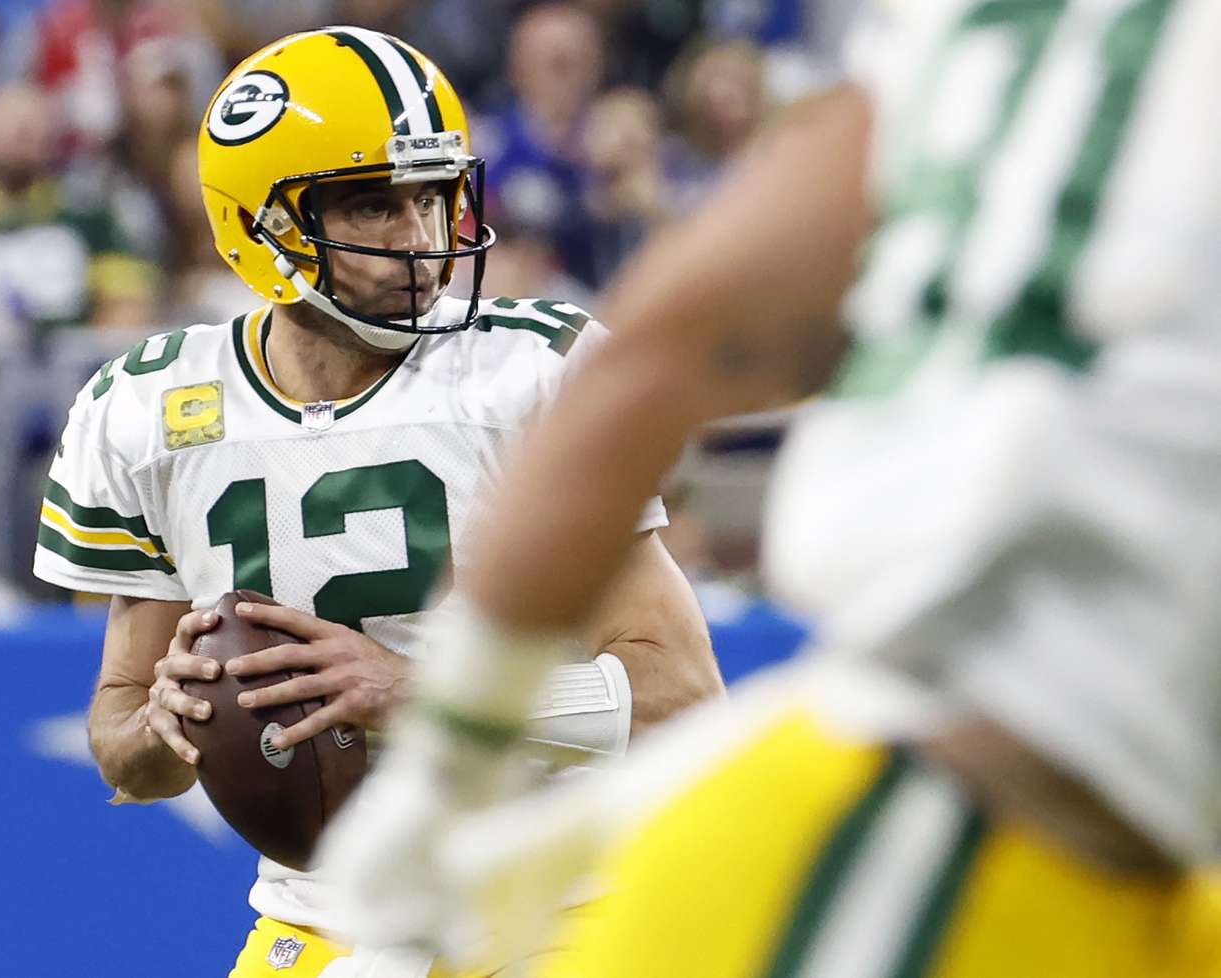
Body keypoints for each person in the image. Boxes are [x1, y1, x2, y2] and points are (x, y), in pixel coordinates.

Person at [319, 1, 1221, 976]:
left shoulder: (1014, 47)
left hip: (1037, 812)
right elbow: (665, 344)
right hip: (982, 828)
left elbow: (661, 349)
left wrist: (451, 755)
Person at [32, 27, 721, 978]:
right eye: (374, 207)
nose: (422, 243)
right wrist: (170, 720)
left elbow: (683, 697)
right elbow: (124, 744)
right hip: (326, 916)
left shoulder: (526, 371)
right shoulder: (144, 409)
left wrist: (415, 691)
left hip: (558, 906)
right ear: (262, 225)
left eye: (435, 200)